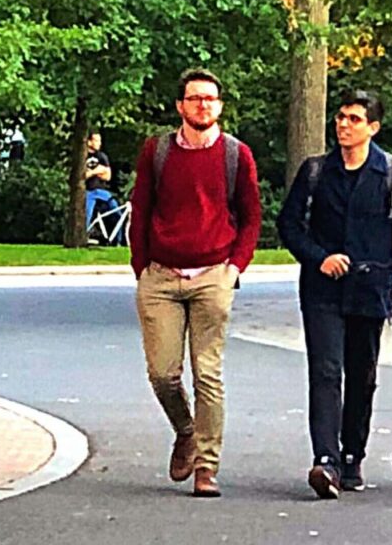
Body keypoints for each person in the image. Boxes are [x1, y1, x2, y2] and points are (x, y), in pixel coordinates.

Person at [279, 91, 392, 499]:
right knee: (326, 372)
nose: (344, 125)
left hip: (370, 286)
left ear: (373, 128)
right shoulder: (315, 173)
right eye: (340, 117)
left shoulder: (390, 173)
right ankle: (324, 460)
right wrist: (320, 257)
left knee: (361, 375)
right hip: (323, 288)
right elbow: (290, 226)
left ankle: (351, 457)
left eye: (354, 119)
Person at [128, 67, 261, 499]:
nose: (203, 105)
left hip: (213, 274)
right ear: (180, 106)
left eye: (210, 98)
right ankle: (185, 431)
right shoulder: (158, 151)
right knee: (163, 374)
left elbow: (252, 215)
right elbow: (141, 208)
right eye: (195, 98)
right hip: (161, 275)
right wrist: (141, 266)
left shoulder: (236, 155)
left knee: (208, 373)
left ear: (219, 106)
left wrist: (235, 267)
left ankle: (207, 467)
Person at [83, 129, 119, 236]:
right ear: (89, 142)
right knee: (87, 216)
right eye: (97, 141)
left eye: (100, 141)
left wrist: (91, 172)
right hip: (88, 191)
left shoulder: (102, 157)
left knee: (116, 211)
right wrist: (97, 171)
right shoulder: (83, 156)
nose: (100, 143)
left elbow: (108, 176)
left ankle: (119, 239)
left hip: (102, 191)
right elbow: (82, 176)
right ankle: (83, 237)